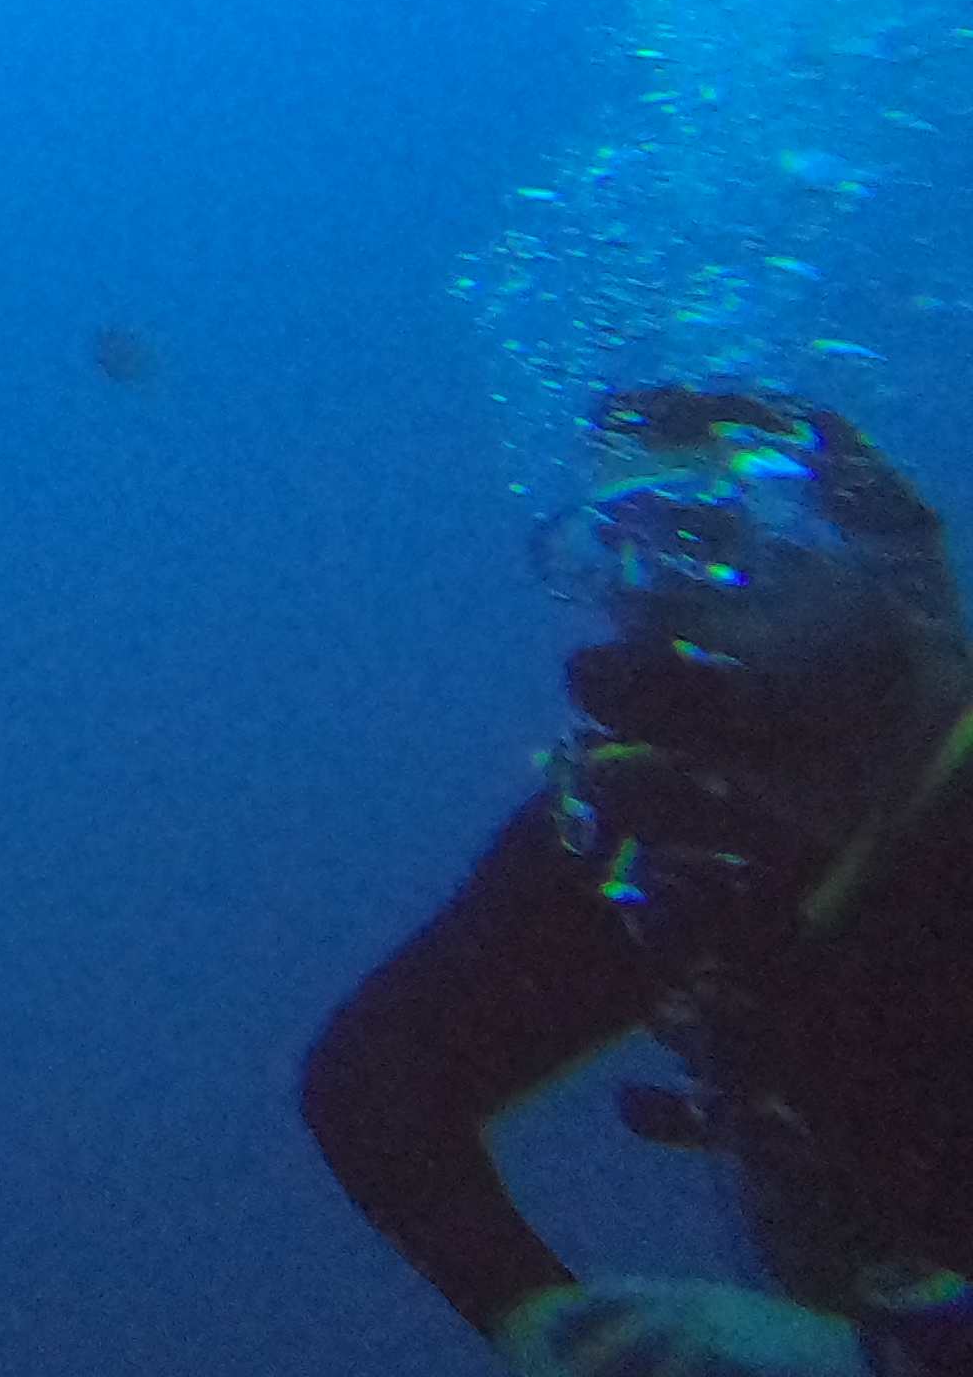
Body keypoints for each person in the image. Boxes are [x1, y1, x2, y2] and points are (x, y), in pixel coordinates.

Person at [307, 388, 973, 1376]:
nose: (651, 593)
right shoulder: (661, 838)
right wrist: (538, 1319)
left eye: (705, 533)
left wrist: (874, 1357)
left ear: (893, 561)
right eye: (609, 550)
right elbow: (379, 1080)